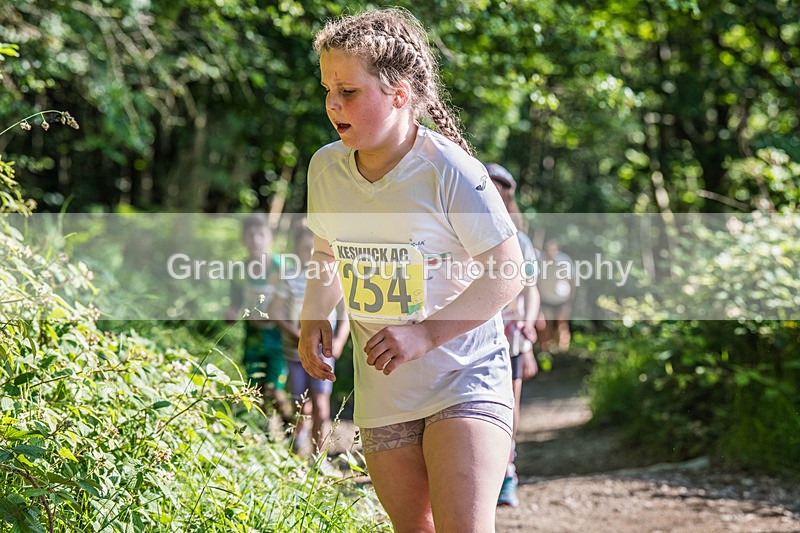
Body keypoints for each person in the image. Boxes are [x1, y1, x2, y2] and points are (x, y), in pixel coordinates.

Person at [299, 8, 525, 532]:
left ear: (400, 94)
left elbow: (509, 271)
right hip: (385, 393)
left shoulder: (449, 169)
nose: (333, 103)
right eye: (328, 89)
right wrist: (315, 318)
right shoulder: (325, 167)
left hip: (465, 379)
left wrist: (425, 333)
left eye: (349, 91)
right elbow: (327, 255)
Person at [270, 221, 350, 458]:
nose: (311, 254)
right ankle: (296, 449)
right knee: (300, 405)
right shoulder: (290, 277)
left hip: (325, 353)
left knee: (321, 405)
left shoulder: (334, 277)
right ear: (296, 249)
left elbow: (346, 314)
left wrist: (339, 342)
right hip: (295, 354)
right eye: (306, 248)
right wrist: (297, 334)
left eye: (315, 249)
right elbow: (275, 312)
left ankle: (318, 458)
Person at [486, 162, 540, 507]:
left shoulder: (520, 241)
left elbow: (531, 289)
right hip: (470, 339)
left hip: (512, 342)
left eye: (500, 189)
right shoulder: (457, 233)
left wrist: (529, 325)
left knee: (510, 411)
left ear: (508, 196)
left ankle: (506, 474)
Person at [225, 213, 293, 426]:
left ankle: (294, 430)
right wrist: (231, 313)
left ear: (270, 238)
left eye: (260, 234)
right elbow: (235, 301)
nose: (255, 239)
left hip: (280, 341)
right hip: (253, 340)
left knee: (274, 388)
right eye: (250, 235)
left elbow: (298, 301)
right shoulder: (239, 270)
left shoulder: (283, 267)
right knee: (256, 391)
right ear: (243, 239)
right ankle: (266, 436)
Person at [535, 238, 575, 353]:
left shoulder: (565, 260)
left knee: (561, 325)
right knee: (544, 326)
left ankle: (563, 352)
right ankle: (546, 352)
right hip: (546, 300)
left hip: (562, 300)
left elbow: (572, 281)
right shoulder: (539, 260)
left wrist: (569, 300)